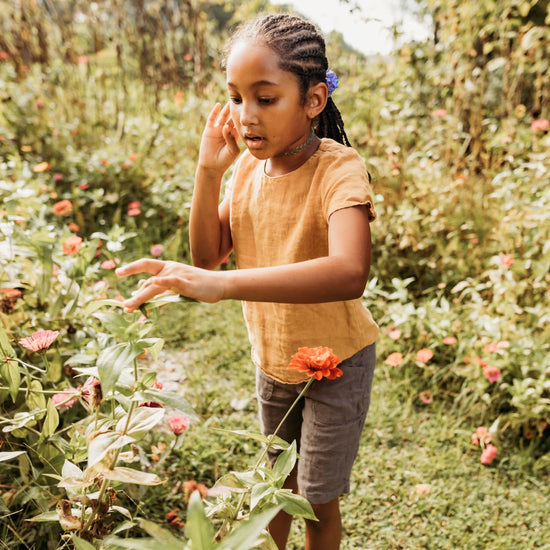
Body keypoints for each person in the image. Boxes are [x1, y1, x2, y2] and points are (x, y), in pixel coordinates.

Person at [116, 12, 378, 550]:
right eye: (235, 98)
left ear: (313, 101)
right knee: (273, 485)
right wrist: (209, 171)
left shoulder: (340, 169)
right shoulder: (244, 170)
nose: (246, 116)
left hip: (337, 362)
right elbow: (208, 257)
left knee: (313, 497)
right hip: (275, 358)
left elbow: (350, 271)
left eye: (265, 97)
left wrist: (229, 286)